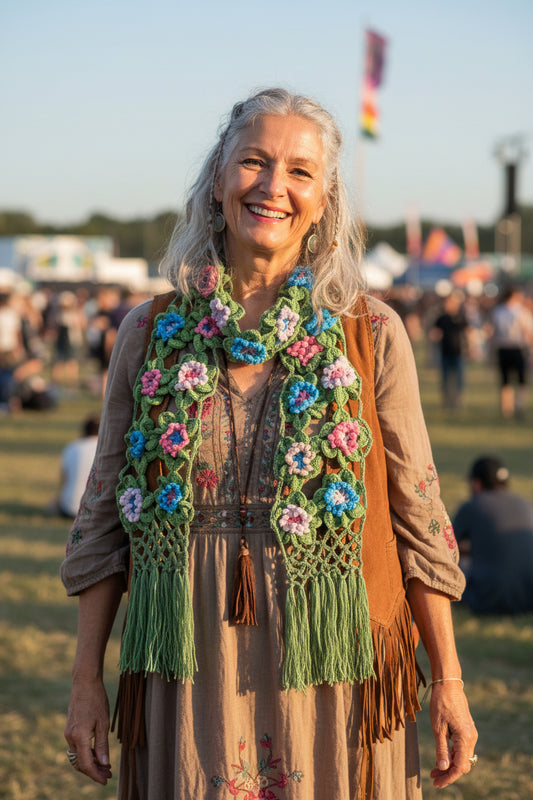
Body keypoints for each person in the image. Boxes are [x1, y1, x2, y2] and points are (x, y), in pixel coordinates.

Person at [61, 88, 477, 800]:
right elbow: (103, 516)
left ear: (324, 198)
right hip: (185, 661)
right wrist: (83, 683)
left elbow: (418, 514)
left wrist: (447, 680)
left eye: (299, 171)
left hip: (331, 661)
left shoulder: (370, 333)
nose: (273, 187)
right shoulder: (148, 330)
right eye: (254, 161)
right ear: (218, 178)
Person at [453, 455, 533, 615]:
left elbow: (446, 549)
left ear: (476, 484)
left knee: (461, 564)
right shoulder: (525, 503)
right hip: (529, 600)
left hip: (488, 601)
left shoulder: (472, 506)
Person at [491, 285, 533, 419]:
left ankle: (506, 409)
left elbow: (492, 333)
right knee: (521, 380)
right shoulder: (522, 312)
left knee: (505, 381)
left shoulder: (497, 311)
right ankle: (519, 407)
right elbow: (528, 332)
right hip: (517, 348)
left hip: (502, 348)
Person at [50, 416, 100, 517]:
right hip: (96, 510)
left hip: (69, 508)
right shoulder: (103, 450)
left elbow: (64, 479)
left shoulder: (71, 447)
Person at [429, 291, 469, 410]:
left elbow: (468, 332)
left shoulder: (461, 318)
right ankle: (447, 401)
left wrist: (471, 348)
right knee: (445, 379)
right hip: (445, 353)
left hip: (459, 353)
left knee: (459, 380)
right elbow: (435, 333)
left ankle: (458, 401)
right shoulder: (441, 318)